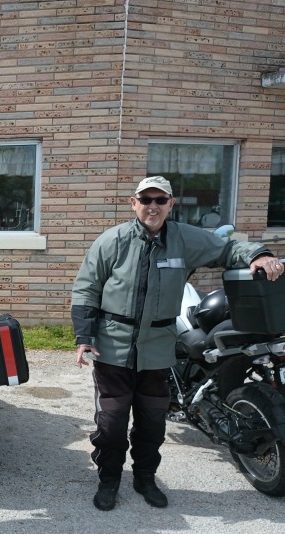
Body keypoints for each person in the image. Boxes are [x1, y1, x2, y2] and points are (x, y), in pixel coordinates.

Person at [71, 175, 283, 512]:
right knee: (111, 424)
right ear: (133, 203)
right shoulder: (112, 241)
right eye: (146, 200)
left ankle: (144, 479)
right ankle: (109, 479)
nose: (152, 206)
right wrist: (84, 336)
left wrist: (258, 255)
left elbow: (227, 249)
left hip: (157, 347)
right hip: (113, 345)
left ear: (170, 204)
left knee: (152, 422)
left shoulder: (184, 239)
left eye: (160, 200)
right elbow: (86, 289)